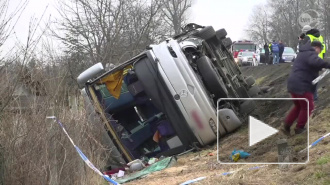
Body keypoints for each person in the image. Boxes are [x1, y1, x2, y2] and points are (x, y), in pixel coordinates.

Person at [284, 41, 330, 135]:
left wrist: (319, 68)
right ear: (317, 47)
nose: (319, 53)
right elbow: (315, 61)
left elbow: (307, 65)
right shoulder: (311, 53)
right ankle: (299, 128)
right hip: (303, 84)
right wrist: (326, 64)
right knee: (308, 106)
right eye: (319, 50)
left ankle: (287, 125)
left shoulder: (302, 53)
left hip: (293, 83)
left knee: (299, 106)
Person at [299, 25, 327, 101]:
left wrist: (301, 40)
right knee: (314, 79)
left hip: (310, 60)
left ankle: (310, 98)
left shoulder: (308, 37)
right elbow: (323, 49)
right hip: (318, 60)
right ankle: (314, 98)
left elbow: (302, 48)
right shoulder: (320, 37)